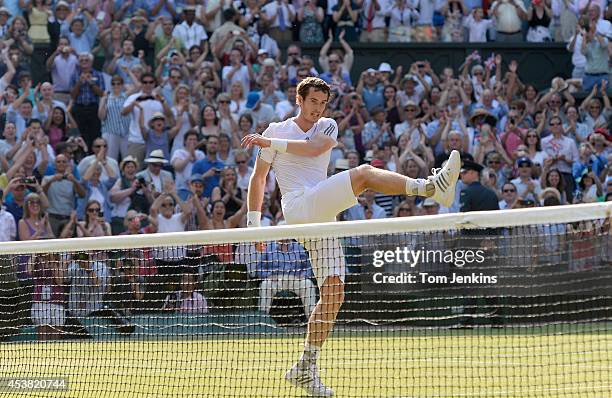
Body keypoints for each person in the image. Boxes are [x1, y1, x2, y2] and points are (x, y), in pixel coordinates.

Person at [241, 77, 460, 396]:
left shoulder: (325, 126)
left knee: (333, 292)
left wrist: (267, 143)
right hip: (299, 207)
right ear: (299, 100)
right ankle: (430, 187)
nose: (318, 109)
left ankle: (305, 366)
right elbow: (258, 178)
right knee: (365, 174)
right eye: (313, 101)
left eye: (323, 103)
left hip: (322, 218)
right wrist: (253, 224)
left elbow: (314, 148)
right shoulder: (275, 130)